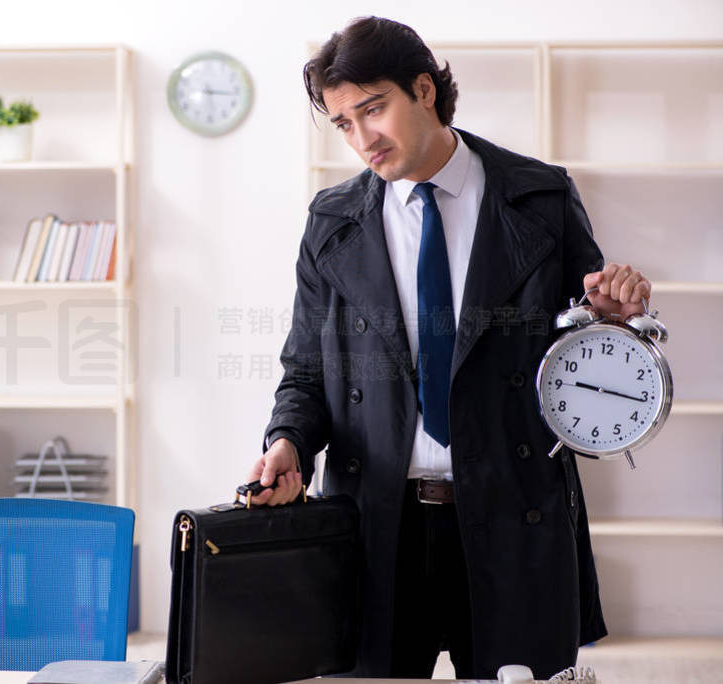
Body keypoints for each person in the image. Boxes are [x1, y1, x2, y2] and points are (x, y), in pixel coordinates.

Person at [245, 16, 653, 680]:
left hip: (512, 515)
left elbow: (589, 363)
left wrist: (612, 322)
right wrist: (287, 440)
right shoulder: (332, 221)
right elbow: (307, 370)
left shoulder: (539, 197)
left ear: (425, 89)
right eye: (344, 123)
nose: (361, 138)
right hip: (378, 526)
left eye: (372, 109)